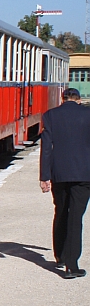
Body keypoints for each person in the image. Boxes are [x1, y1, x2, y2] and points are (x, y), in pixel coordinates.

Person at [40, 87, 90, 278]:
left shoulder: (51, 115)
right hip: (84, 174)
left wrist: (44, 176)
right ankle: (72, 264)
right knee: (75, 217)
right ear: (79, 100)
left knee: (60, 211)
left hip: (59, 173)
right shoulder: (87, 113)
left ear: (62, 99)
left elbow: (46, 148)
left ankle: (60, 256)